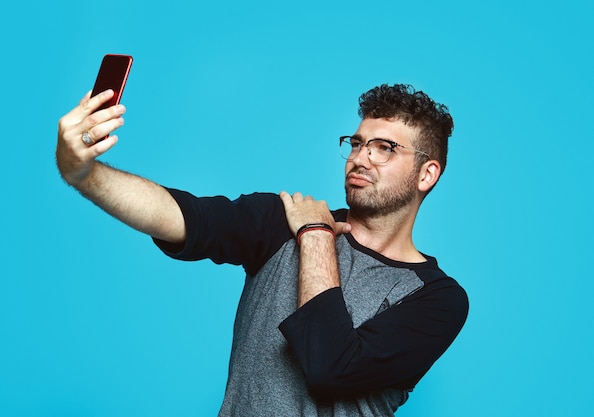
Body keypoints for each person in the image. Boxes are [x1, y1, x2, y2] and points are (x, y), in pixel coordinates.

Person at [56, 83, 468, 416]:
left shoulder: (437, 299)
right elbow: (180, 214)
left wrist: (316, 234)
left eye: (385, 147)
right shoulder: (278, 221)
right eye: (357, 143)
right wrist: (84, 174)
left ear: (427, 174)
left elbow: (329, 365)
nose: (360, 158)